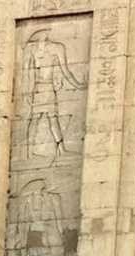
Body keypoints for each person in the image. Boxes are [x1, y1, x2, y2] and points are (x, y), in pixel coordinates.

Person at [23, 28, 86, 160]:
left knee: (44, 119)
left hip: (41, 88)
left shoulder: (38, 48)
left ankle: (30, 152)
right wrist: (78, 85)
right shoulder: (51, 48)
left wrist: (28, 92)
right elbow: (65, 71)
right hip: (43, 88)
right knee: (45, 118)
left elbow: (28, 72)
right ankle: (32, 152)